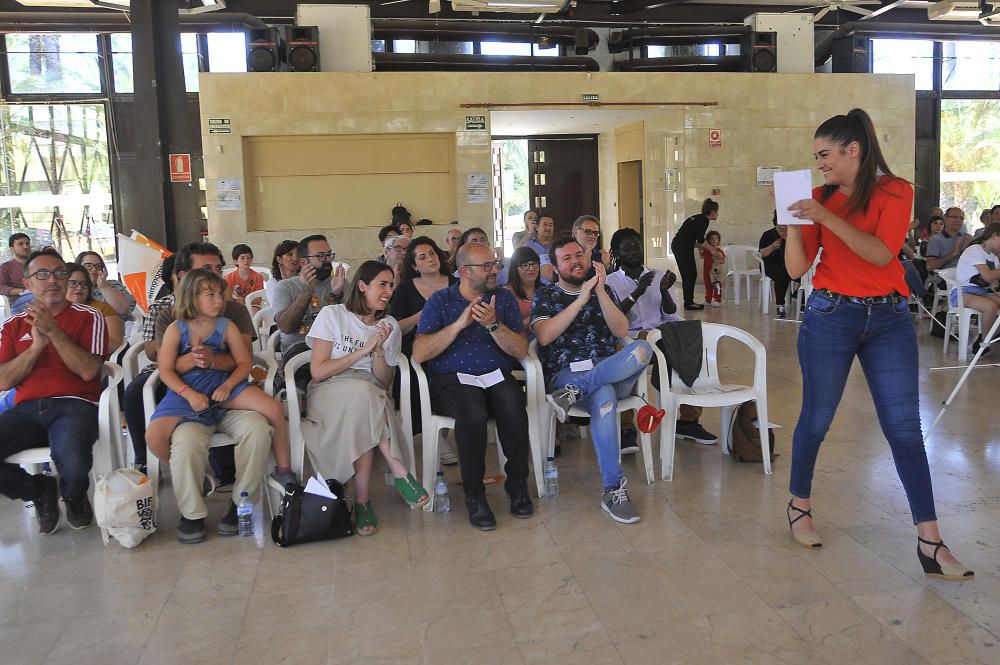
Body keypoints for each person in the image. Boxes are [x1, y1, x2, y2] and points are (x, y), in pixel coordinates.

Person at [783, 108, 972, 580]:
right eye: (816, 156)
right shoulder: (814, 197)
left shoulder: (896, 190)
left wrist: (824, 214)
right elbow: (794, 269)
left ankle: (930, 541)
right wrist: (791, 226)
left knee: (905, 428)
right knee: (817, 417)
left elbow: (881, 252)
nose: (819, 163)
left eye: (825, 154)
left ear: (854, 151)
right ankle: (798, 506)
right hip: (830, 314)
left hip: (888, 317)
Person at [413, 242, 534, 530]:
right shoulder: (440, 301)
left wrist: (493, 325)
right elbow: (419, 352)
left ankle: (517, 485)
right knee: (472, 412)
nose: (495, 271)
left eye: (495, 264)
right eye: (487, 266)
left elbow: (520, 349)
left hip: (495, 374)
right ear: (465, 271)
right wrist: (458, 325)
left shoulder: (502, 299)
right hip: (452, 379)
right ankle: (475, 495)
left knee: (513, 404)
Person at [533, 238, 653, 524]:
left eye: (579, 255)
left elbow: (621, 329)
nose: (575, 261)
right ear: (556, 266)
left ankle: (576, 391)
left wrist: (599, 292)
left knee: (643, 348)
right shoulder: (546, 295)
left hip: (605, 369)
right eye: (566, 258)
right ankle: (613, 489)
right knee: (605, 396)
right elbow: (544, 336)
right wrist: (580, 300)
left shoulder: (604, 289)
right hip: (567, 372)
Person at [303, 261, 427, 535]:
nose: (388, 291)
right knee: (366, 396)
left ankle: (362, 502)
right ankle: (399, 471)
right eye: (382, 284)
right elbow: (318, 371)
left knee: (367, 396)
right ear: (362, 286)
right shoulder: (332, 314)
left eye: (391, 285)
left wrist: (380, 350)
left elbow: (383, 380)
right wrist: (363, 351)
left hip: (370, 392)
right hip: (329, 390)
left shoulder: (389, 325)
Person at [146, 267, 293, 483]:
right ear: (192, 298)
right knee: (154, 436)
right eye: (210, 295)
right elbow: (165, 370)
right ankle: (193, 475)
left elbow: (244, 363)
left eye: (220, 294)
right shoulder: (176, 329)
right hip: (187, 390)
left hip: (223, 384)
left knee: (273, 408)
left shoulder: (226, 326)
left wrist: (228, 385)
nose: (218, 301)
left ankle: (284, 470)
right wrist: (188, 394)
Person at [0, 249, 108, 534]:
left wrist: (54, 333)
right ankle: (38, 490)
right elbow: (3, 381)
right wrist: (36, 348)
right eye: (42, 274)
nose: (53, 280)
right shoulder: (12, 326)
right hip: (25, 409)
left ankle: (73, 496)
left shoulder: (89, 317)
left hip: (75, 404)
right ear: (27, 284)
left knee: (70, 453)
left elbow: (88, 371)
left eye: (60, 273)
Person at [389, 236, 458, 465]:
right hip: (417, 346)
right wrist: (422, 314)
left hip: (453, 343)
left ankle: (442, 436)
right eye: (422, 257)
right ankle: (425, 429)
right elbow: (395, 326)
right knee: (419, 367)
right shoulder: (407, 289)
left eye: (432, 253)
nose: (430, 259)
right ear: (414, 265)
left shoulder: (456, 283)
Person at [272, 234, 347, 371]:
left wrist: (337, 295)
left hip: (336, 348)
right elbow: (286, 327)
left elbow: (353, 323)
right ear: (304, 262)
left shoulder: (339, 283)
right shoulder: (285, 287)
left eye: (329, 254)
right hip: (301, 351)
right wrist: (307, 292)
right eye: (320, 256)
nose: (327, 260)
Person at [951, 221, 1000, 356]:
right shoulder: (975, 250)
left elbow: (993, 284)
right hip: (963, 292)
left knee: (993, 303)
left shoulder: (994, 258)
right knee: (990, 307)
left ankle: (984, 339)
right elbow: (988, 276)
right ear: (995, 235)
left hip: (981, 292)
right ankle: (984, 342)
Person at [671, 198, 724, 310]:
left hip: (679, 245)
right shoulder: (704, 220)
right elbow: (700, 240)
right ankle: (689, 302)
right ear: (713, 212)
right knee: (690, 274)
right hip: (682, 247)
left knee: (689, 274)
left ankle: (689, 301)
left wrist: (702, 247)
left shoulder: (696, 218)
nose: (718, 214)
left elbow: (692, 238)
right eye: (717, 212)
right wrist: (712, 250)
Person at [65, 263, 124, 350]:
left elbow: (115, 344)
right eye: (73, 283)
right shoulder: (53, 310)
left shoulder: (101, 309)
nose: (79, 287)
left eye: (84, 284)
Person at [74, 250, 137, 318]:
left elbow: (124, 310)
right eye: (88, 266)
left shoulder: (113, 285)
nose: (94, 269)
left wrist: (104, 287)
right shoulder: (71, 289)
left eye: (98, 266)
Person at [759, 217, 794, 317]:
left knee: (804, 275)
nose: (783, 226)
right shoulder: (768, 235)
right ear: (776, 222)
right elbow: (762, 253)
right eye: (780, 223)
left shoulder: (792, 235)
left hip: (788, 264)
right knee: (782, 275)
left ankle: (801, 298)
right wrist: (772, 247)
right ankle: (780, 305)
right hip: (770, 265)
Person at [504, 246, 541, 334]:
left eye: (534, 264)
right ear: (515, 269)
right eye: (525, 265)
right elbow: (506, 328)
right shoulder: (507, 292)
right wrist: (535, 318)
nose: (531, 269)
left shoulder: (544, 290)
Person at [926, 207, 972, 272]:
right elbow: (929, 266)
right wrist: (954, 253)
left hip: (966, 275)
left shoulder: (968, 238)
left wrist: (968, 249)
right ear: (945, 218)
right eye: (954, 217)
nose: (958, 220)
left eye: (961, 218)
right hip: (945, 278)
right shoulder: (936, 239)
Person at [1, 232, 33, 314]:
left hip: (37, 295)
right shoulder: (5, 267)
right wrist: (23, 290)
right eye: (20, 244)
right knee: (42, 297)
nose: (25, 247)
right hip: (17, 302)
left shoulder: (36, 264)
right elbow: (1, 287)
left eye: (27, 244)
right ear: (12, 249)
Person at [521, 214, 555, 283]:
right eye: (545, 225)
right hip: (535, 285)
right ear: (537, 227)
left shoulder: (558, 245)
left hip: (556, 286)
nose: (548, 228)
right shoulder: (528, 246)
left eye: (550, 225)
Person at [265, 239, 299, 305]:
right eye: (290, 254)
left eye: (298, 254)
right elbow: (279, 308)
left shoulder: (304, 280)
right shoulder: (273, 284)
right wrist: (286, 285)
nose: (295, 258)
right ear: (279, 259)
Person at [700, 230, 725, 307]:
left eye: (716, 238)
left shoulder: (718, 250)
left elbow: (722, 260)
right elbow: (701, 256)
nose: (714, 240)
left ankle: (717, 299)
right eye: (712, 238)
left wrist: (718, 258)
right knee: (707, 285)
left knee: (716, 284)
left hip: (715, 271)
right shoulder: (706, 250)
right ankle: (708, 299)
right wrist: (700, 247)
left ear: (719, 240)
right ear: (708, 241)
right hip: (706, 270)